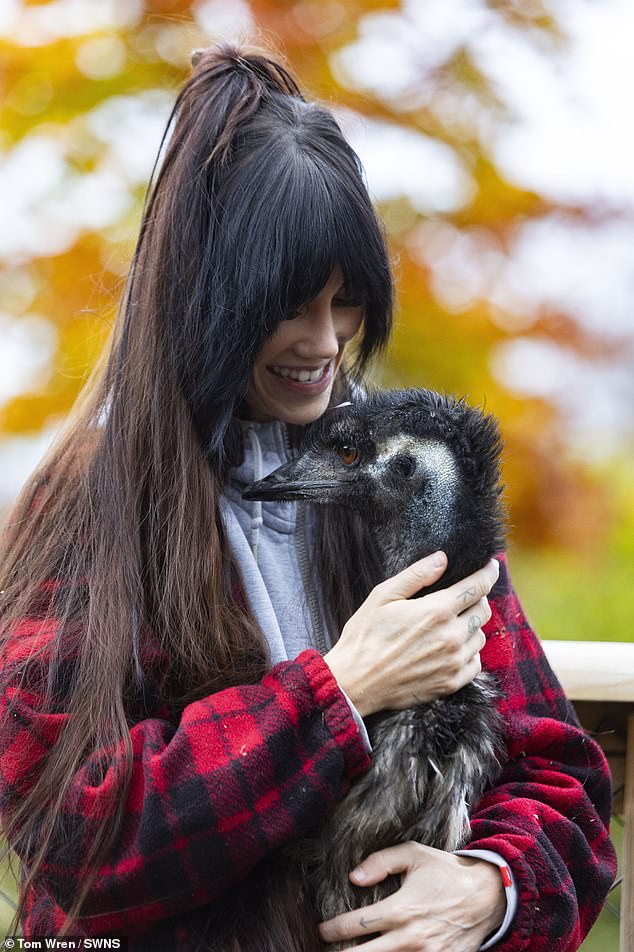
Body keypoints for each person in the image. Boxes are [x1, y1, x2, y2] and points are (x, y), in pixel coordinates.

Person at [0, 42, 616, 952]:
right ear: (210, 297)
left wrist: (491, 888)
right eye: (291, 305)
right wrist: (340, 693)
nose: (326, 342)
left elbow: (561, 781)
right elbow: (71, 832)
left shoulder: (406, 479)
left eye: (348, 301)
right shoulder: (93, 500)